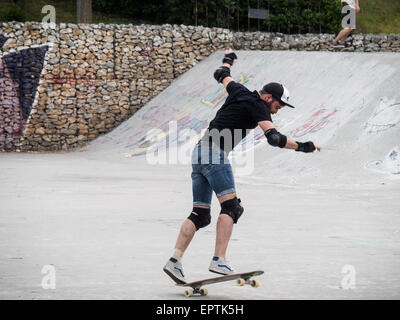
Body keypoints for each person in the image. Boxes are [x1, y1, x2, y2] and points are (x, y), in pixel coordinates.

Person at [163, 49, 321, 284]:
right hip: (215, 155)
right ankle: (219, 259)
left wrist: (228, 59)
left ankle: (174, 261)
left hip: (198, 153)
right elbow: (274, 138)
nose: (278, 110)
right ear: (268, 97)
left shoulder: (238, 90)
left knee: (201, 214)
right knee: (232, 208)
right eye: (279, 105)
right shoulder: (259, 106)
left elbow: (221, 74)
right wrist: (304, 146)